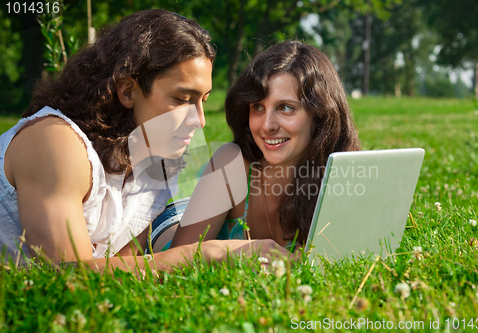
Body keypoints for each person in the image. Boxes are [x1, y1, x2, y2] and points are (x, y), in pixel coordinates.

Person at [0, 9, 287, 272]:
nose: (199, 121)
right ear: (127, 90)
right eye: (182, 99)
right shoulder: (54, 142)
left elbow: (126, 272)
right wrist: (204, 254)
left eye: (203, 101)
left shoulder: (155, 164)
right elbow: (67, 277)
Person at [169, 41, 361, 251]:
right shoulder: (232, 163)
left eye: (286, 108)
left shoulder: (340, 175)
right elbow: (177, 258)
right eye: (258, 107)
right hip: (168, 223)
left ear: (319, 115)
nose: (267, 125)